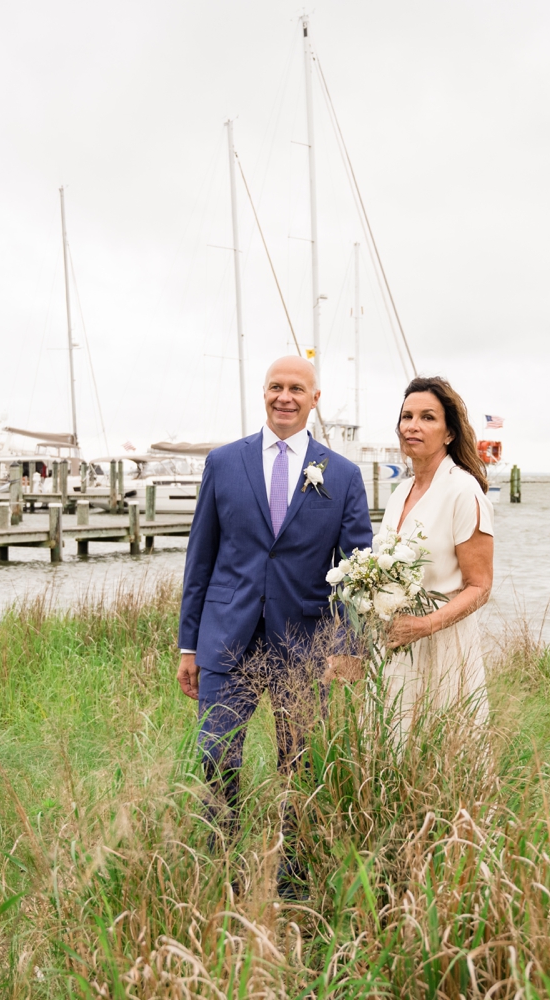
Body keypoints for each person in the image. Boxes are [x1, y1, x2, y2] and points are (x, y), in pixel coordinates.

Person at [177, 356, 372, 899]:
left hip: (304, 641)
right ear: (263, 393)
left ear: (314, 399)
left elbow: (358, 569)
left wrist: (350, 645)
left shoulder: (343, 475)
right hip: (225, 635)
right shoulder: (223, 463)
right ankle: (219, 869)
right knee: (217, 752)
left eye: (296, 389)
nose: (284, 397)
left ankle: (294, 877)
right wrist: (188, 644)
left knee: (302, 763)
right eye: (275, 387)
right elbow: (201, 558)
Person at [382, 376, 496, 723]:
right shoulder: (400, 493)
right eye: (407, 416)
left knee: (442, 757)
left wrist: (425, 625)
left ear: (449, 433)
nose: (412, 426)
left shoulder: (463, 491)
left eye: (428, 417)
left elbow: (480, 586)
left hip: (443, 645)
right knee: (392, 756)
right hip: (396, 647)